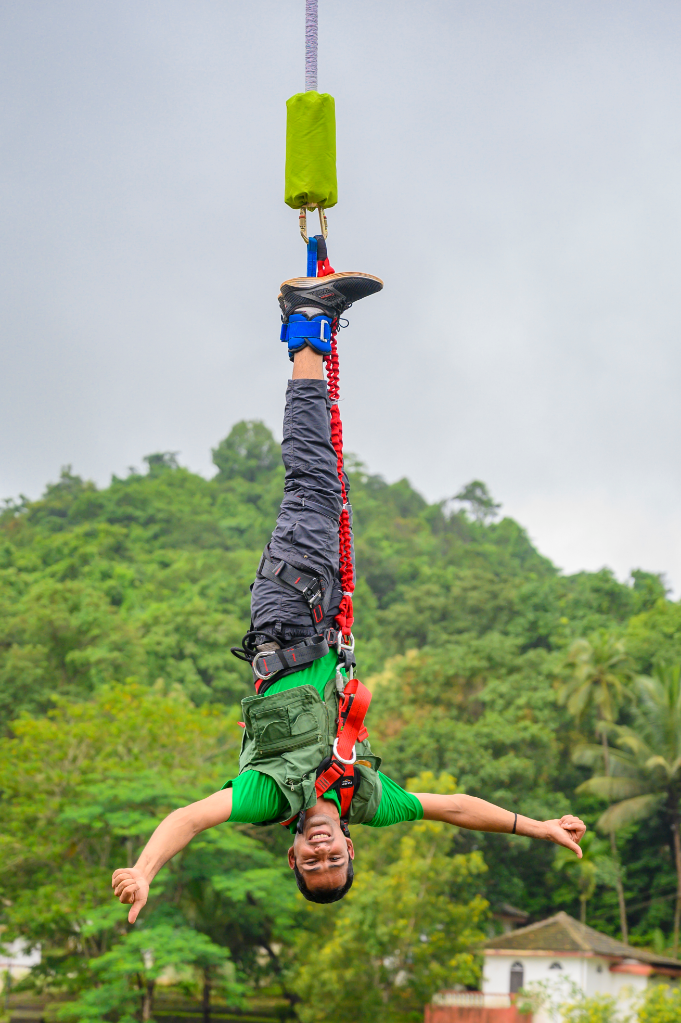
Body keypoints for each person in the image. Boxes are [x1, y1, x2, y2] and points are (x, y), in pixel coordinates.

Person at [112, 271, 586, 920]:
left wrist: (144, 868)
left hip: (287, 615)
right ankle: (308, 329)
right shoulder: (364, 795)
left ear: (293, 856)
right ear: (350, 847)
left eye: (312, 863)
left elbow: (190, 816)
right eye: (334, 860)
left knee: (311, 481)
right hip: (322, 614)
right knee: (323, 483)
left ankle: (307, 323)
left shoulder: (267, 795)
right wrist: (537, 826)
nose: (322, 852)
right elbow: (451, 808)